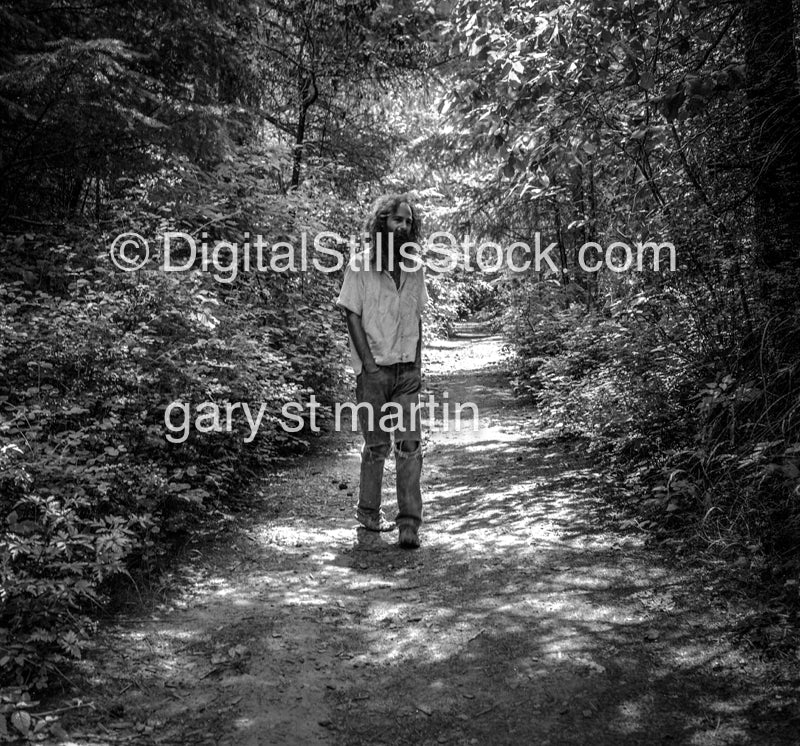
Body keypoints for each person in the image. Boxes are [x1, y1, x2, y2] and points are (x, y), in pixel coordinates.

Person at [335, 193, 428, 549]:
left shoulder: (415, 268)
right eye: (397, 220)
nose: (403, 226)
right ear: (382, 223)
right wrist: (369, 365)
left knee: (409, 445)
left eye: (408, 221)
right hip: (373, 372)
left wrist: (417, 364)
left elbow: (415, 318)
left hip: (406, 371)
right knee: (376, 446)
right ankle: (369, 514)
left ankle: (409, 525)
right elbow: (351, 313)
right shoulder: (360, 265)